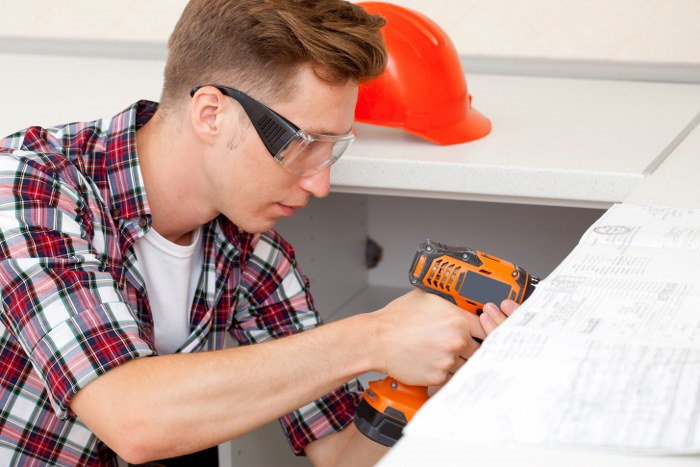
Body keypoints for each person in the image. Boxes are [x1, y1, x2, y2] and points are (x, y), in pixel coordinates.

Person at [0, 0, 518, 465]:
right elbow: (134, 421)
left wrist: (420, 381)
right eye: (305, 144)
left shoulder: (253, 251)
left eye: (333, 150)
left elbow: (342, 455)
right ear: (211, 113)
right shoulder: (30, 189)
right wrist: (377, 337)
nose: (320, 184)